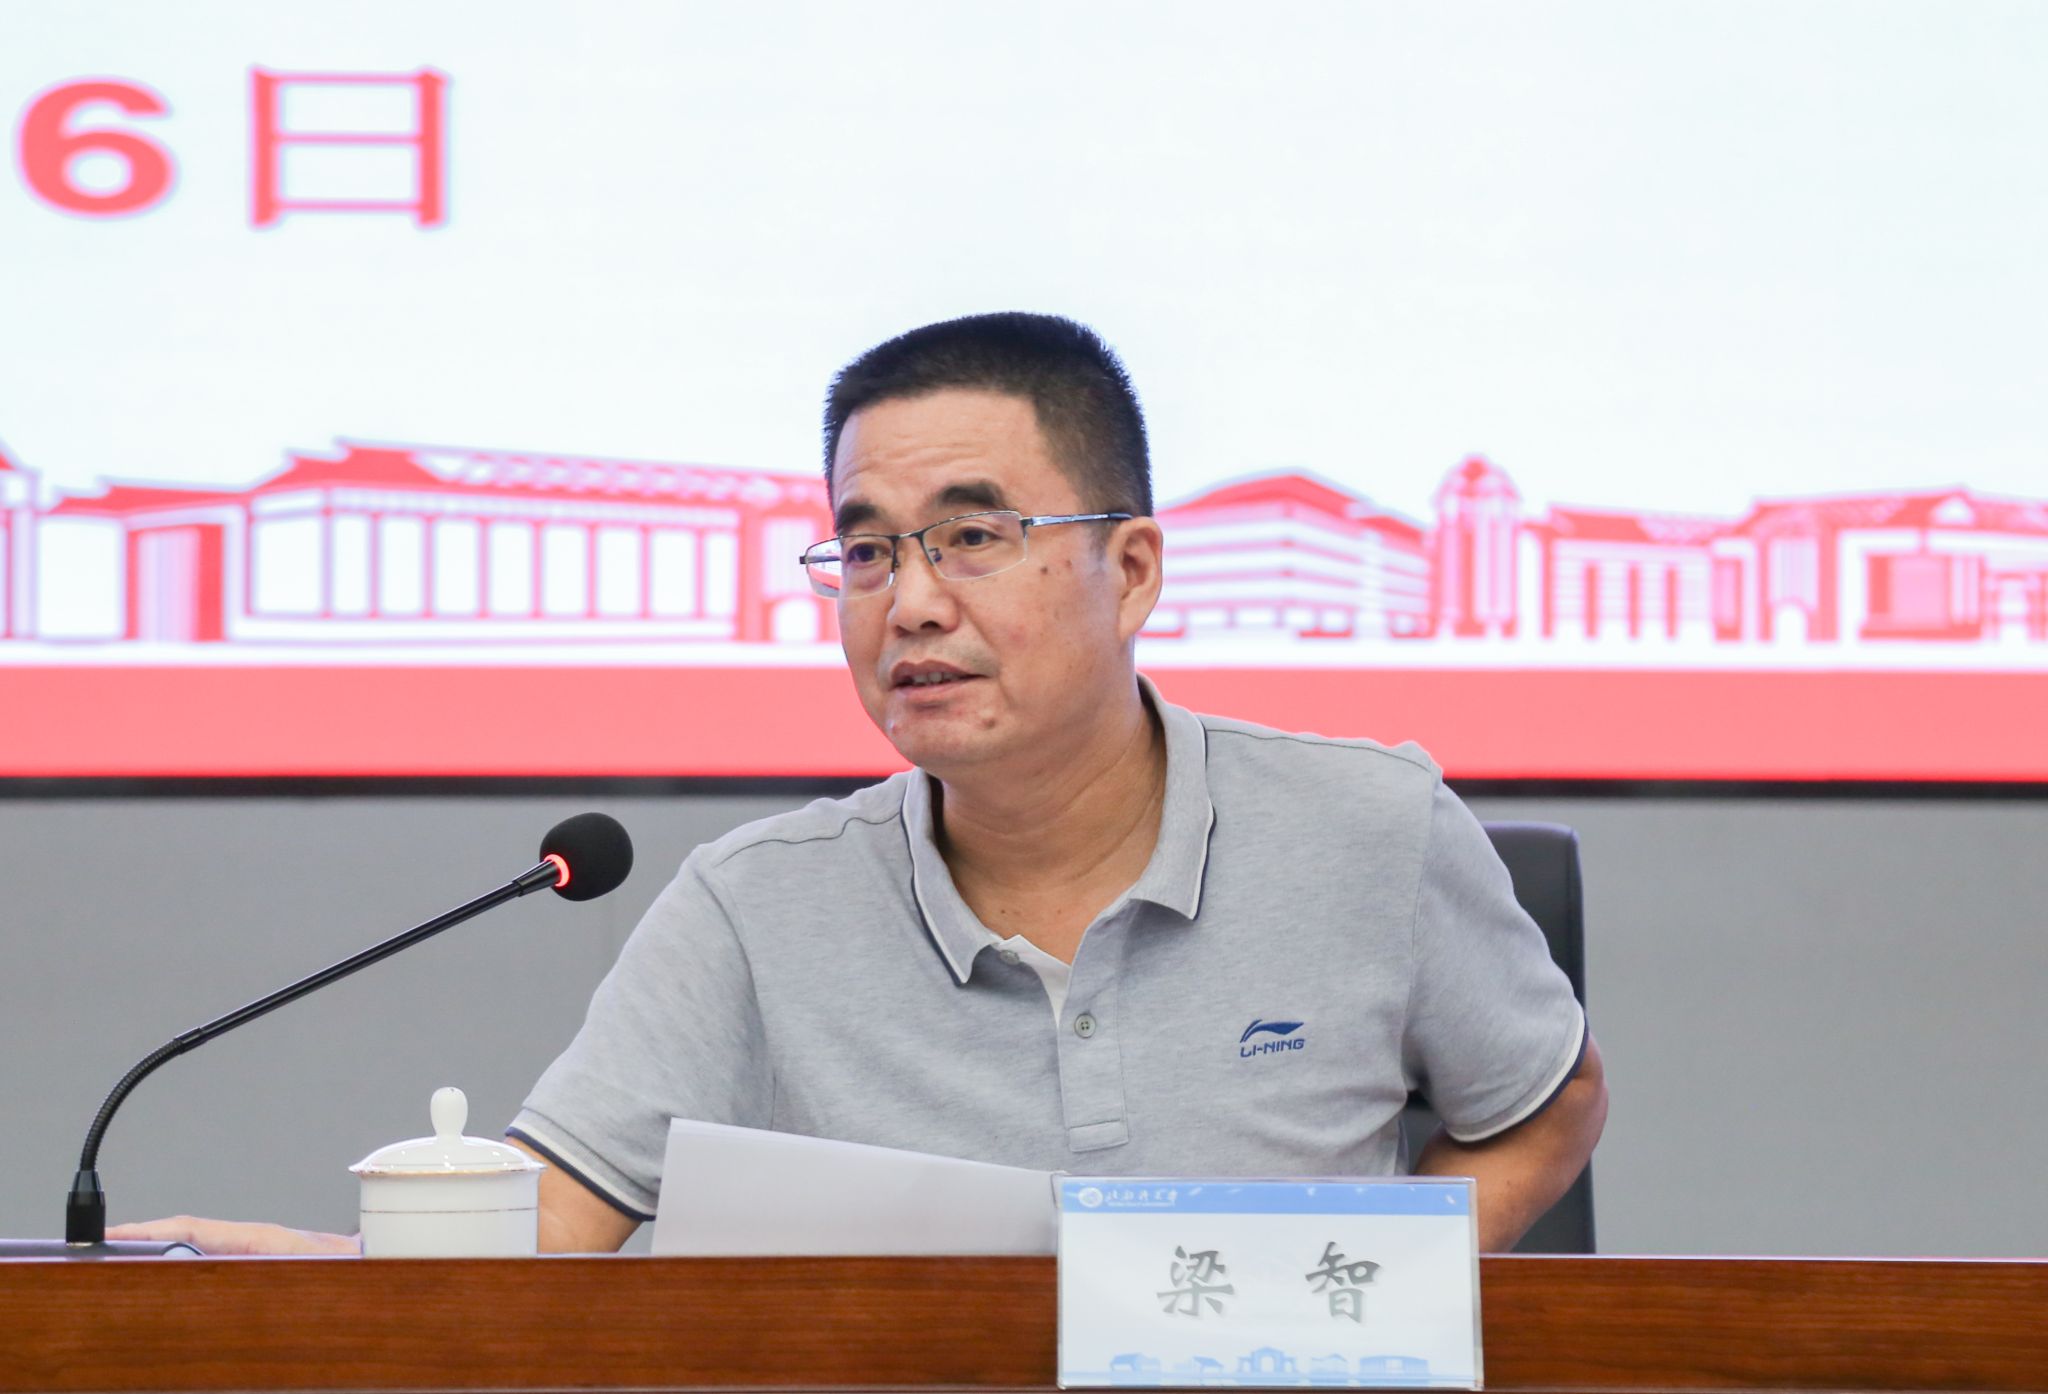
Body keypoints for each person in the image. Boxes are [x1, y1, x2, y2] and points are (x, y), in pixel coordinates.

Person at [115, 312, 1605, 1258]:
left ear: (1133, 568)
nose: (912, 602)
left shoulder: (1368, 829)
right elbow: (543, 1232)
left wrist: (1368, 1286)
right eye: (869, 549)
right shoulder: (758, 905)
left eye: (973, 537)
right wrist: (321, 1278)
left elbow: (1548, 1104)